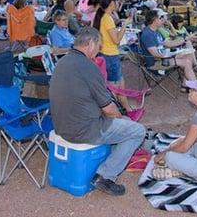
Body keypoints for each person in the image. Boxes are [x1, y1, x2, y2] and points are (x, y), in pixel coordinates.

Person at [48, 27, 145, 196]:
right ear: (91, 44)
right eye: (99, 46)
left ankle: (109, 159)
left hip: (61, 125)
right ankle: (105, 176)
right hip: (85, 129)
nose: (99, 51)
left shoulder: (62, 62)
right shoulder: (88, 67)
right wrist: (122, 118)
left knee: (120, 126)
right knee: (137, 131)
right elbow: (108, 108)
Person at [93, 0, 132, 111]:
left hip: (107, 54)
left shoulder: (103, 16)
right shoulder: (107, 18)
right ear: (111, 3)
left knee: (119, 85)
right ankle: (112, 114)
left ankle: (128, 110)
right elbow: (116, 40)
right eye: (115, 0)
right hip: (111, 55)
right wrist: (125, 25)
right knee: (114, 88)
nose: (117, 2)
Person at [140, 10, 197, 82]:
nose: (163, 20)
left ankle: (186, 85)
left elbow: (169, 43)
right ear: (155, 20)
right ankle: (196, 88)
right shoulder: (147, 34)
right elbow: (155, 54)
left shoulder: (156, 32)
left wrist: (186, 39)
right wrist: (172, 53)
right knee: (186, 62)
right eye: (161, 18)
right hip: (156, 63)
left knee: (189, 56)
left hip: (164, 58)